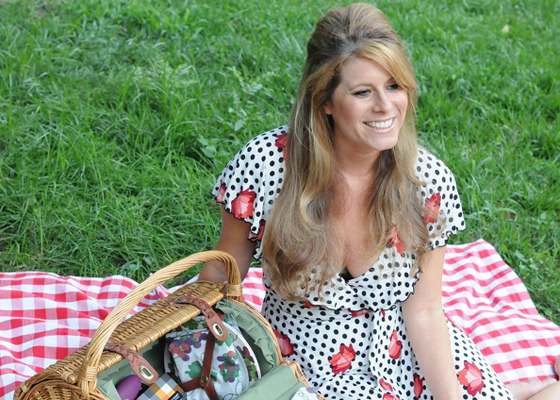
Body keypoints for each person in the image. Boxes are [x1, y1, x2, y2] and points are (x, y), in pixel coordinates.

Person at [198, 3, 560, 399]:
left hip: (407, 350)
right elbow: (221, 276)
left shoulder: (426, 181)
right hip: (306, 367)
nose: (385, 106)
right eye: (362, 92)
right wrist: (191, 345)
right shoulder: (267, 166)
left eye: (394, 86)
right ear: (325, 101)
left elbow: (424, 310)